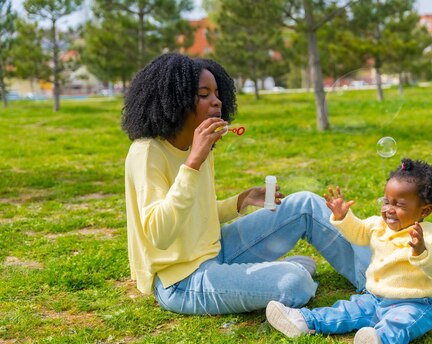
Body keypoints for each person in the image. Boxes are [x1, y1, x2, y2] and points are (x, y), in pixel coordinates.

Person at [122, 52, 374, 315]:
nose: (217, 102)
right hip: (181, 280)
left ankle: (376, 280)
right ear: (175, 100)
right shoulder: (147, 152)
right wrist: (193, 163)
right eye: (204, 94)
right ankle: (287, 270)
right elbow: (159, 234)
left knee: (305, 204)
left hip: (217, 249)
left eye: (217, 93)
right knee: (294, 283)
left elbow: (196, 215)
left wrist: (241, 200)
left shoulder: (199, 147)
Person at [266, 158, 432, 344]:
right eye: (387, 201)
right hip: (374, 298)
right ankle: (304, 320)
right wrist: (343, 217)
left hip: (414, 303)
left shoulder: (429, 236)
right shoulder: (378, 225)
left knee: (399, 325)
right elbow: (357, 234)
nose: (389, 209)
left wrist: (422, 251)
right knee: (346, 310)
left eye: (399, 204)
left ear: (424, 211)